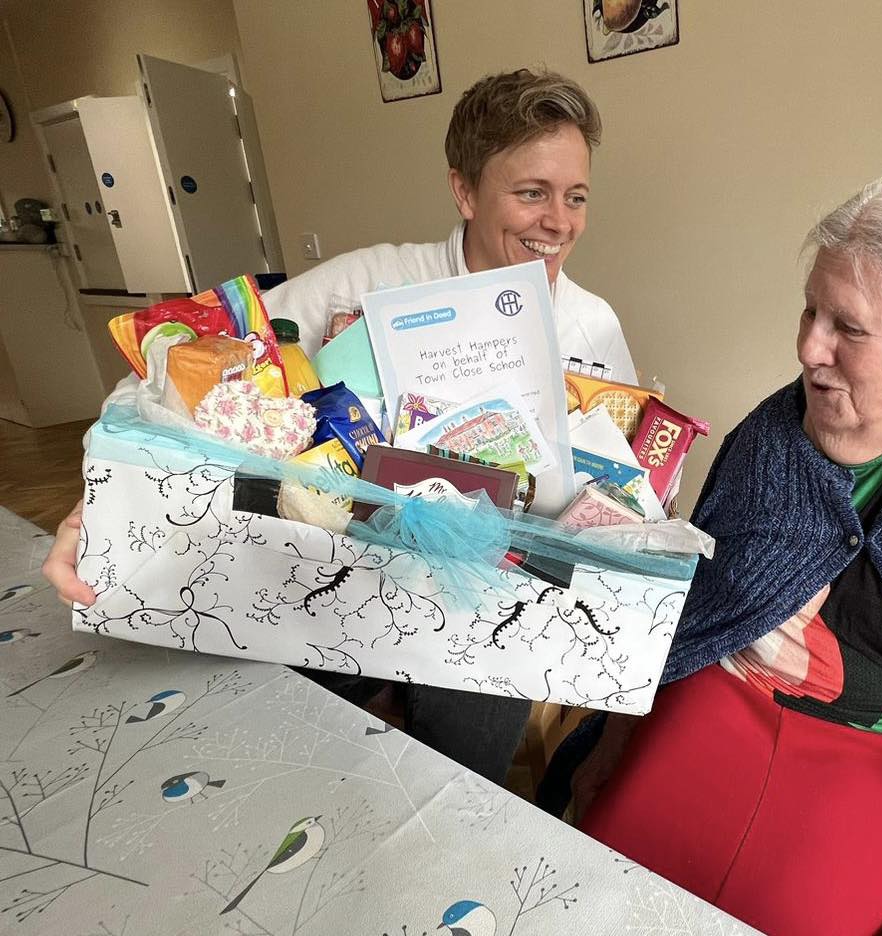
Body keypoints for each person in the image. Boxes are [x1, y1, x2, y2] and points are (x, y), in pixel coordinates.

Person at [42, 68, 636, 787]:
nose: (559, 223)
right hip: (338, 583)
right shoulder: (368, 284)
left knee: (458, 782)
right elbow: (169, 375)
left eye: (575, 197)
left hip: (487, 608)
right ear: (464, 191)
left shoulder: (591, 324)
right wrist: (100, 497)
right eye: (531, 193)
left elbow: (624, 487)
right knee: (293, 750)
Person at [551, 170, 882, 936]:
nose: (809, 347)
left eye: (848, 327)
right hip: (717, 702)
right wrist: (613, 739)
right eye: (811, 310)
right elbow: (693, 618)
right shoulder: (777, 434)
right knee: (579, 894)